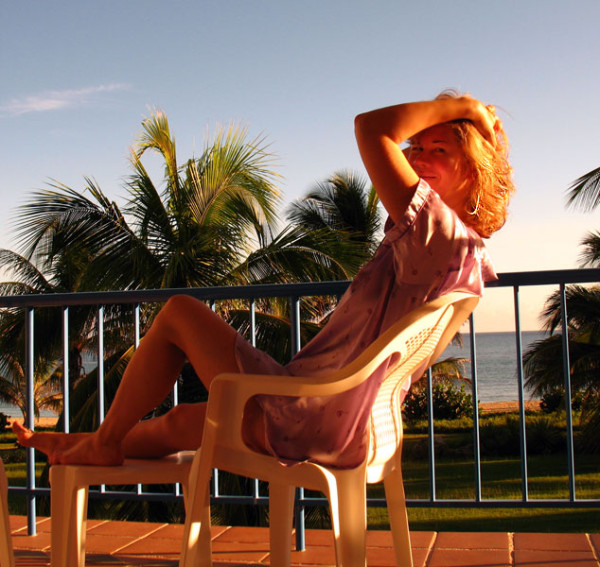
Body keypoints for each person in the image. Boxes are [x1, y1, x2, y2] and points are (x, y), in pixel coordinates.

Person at [14, 91, 514, 468]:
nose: (416, 158)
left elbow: (370, 128)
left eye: (438, 150)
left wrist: (465, 107)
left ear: (476, 173)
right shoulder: (467, 256)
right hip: (354, 426)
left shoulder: (435, 230)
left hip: (310, 415)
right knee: (182, 423)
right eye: (416, 146)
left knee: (179, 312)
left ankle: (102, 442)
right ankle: (85, 443)